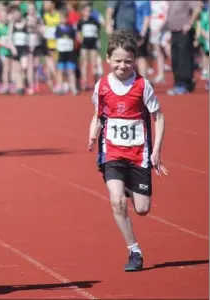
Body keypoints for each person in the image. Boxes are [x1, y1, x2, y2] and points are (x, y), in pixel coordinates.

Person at [88, 30, 168, 271]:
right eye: (117, 61)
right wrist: (92, 134)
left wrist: (156, 151)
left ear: (134, 60)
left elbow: (159, 117)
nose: (122, 66)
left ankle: (131, 189)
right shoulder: (101, 86)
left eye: (128, 61)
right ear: (108, 58)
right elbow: (98, 116)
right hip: (112, 152)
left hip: (139, 153)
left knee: (142, 209)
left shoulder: (143, 86)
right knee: (116, 202)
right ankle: (134, 251)